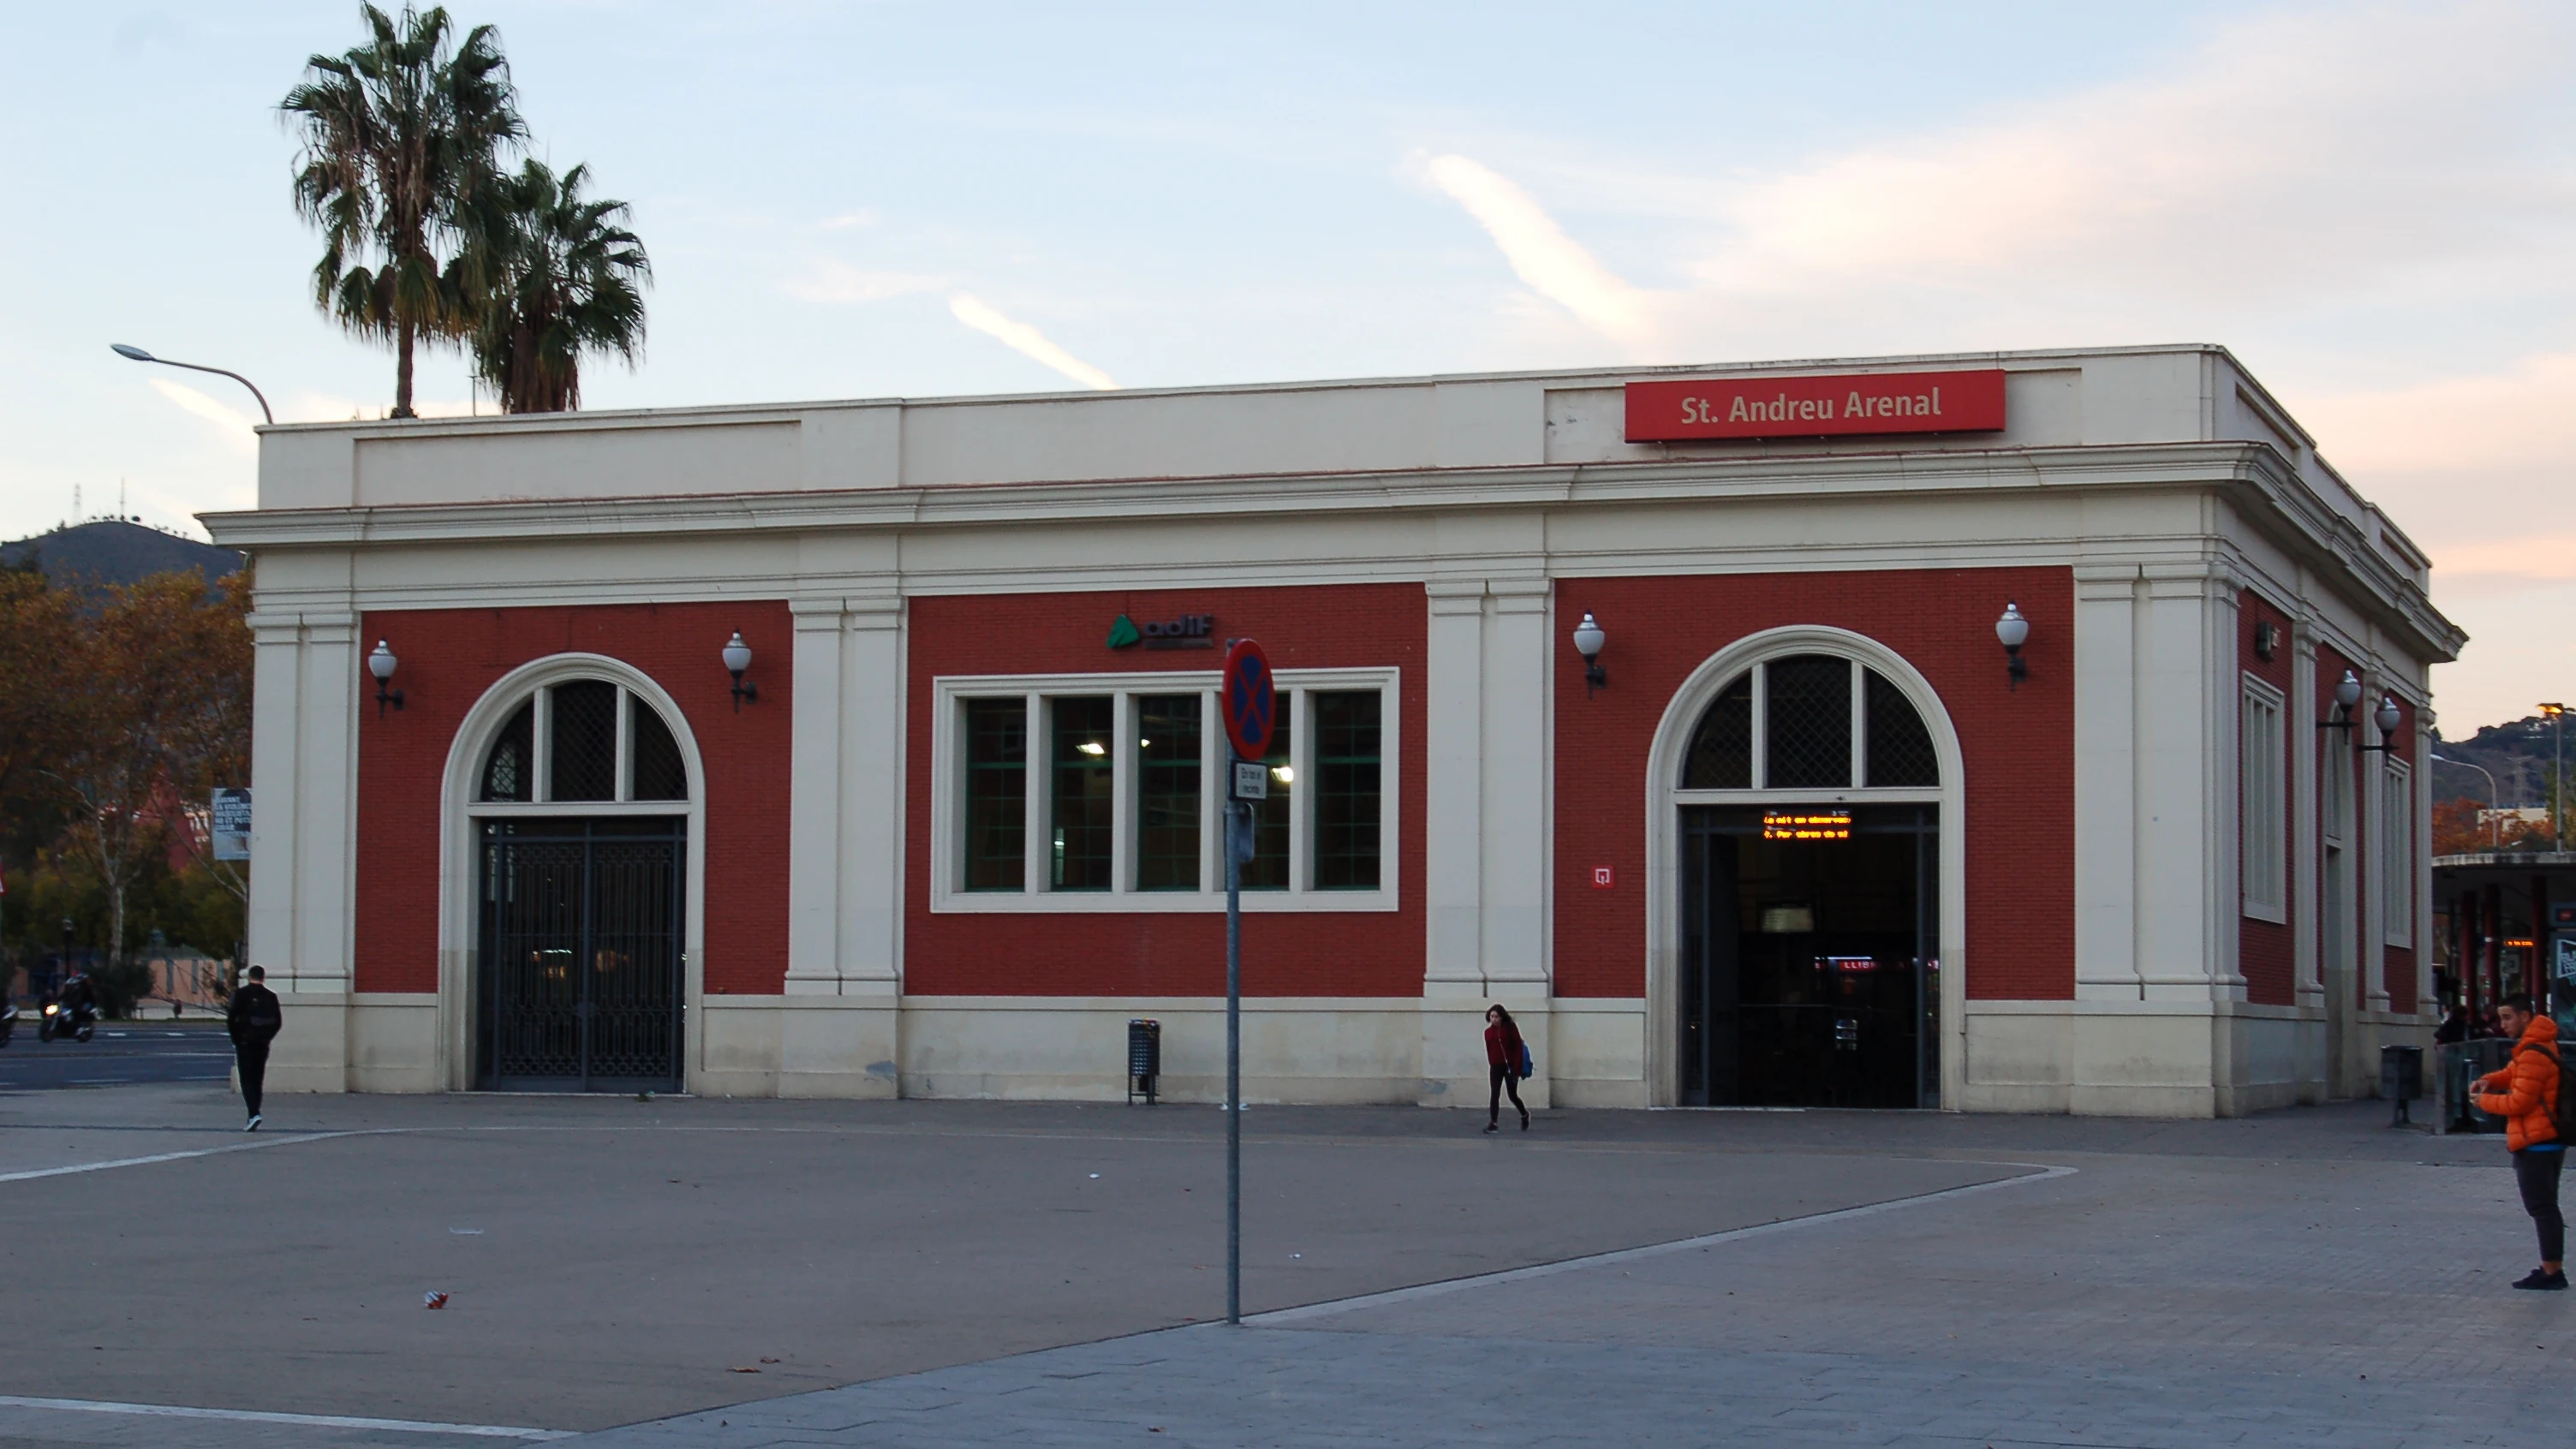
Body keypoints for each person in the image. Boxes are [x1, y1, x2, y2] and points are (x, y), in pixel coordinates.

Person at [2472, 993, 2564, 1291]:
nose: (2503, 1024)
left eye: (2508, 1017)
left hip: (2538, 1140)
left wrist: (2484, 1101)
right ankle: (2551, 1269)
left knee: (2542, 1207)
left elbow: (2521, 1102)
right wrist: (2490, 1080)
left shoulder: (2534, 1051)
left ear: (2525, 1016)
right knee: (2544, 1206)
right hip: (2541, 1138)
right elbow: (2514, 1074)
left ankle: (2552, 1272)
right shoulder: (2533, 1047)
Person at [227, 966, 283, 1132]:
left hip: (245, 1043)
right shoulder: (271, 996)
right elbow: (278, 1022)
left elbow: (231, 1019)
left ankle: (253, 1113)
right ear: (263, 978)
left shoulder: (241, 994)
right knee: (258, 1080)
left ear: (249, 977)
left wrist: (236, 1039)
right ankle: (253, 1114)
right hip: (262, 1044)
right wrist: (267, 1038)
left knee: (246, 1080)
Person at [1482, 1004, 1529, 1134]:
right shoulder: (1488, 1033)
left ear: (1502, 1017)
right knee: (1495, 1093)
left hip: (1511, 1065)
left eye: (1497, 1016)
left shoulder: (1510, 1028)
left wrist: (1517, 1067)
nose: (1494, 1019)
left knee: (1512, 1095)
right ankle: (1493, 1123)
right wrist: (1492, 1063)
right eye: (1492, 1016)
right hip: (1496, 1066)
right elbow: (1489, 1050)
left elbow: (1518, 1047)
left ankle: (1524, 1114)